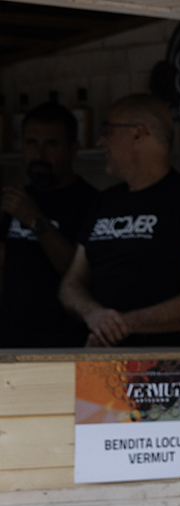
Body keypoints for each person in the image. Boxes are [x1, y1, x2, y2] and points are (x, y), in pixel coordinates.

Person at [59, 94, 180, 347]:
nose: (100, 141)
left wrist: (125, 324)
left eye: (107, 131)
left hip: (175, 375)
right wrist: (93, 314)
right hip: (101, 368)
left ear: (138, 133)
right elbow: (71, 283)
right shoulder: (104, 202)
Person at [0, 102, 95, 347]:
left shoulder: (92, 203)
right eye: (31, 143)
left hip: (64, 346)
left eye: (51, 144)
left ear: (73, 148)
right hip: (12, 346)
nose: (39, 155)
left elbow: (82, 277)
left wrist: (35, 221)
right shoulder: (16, 199)